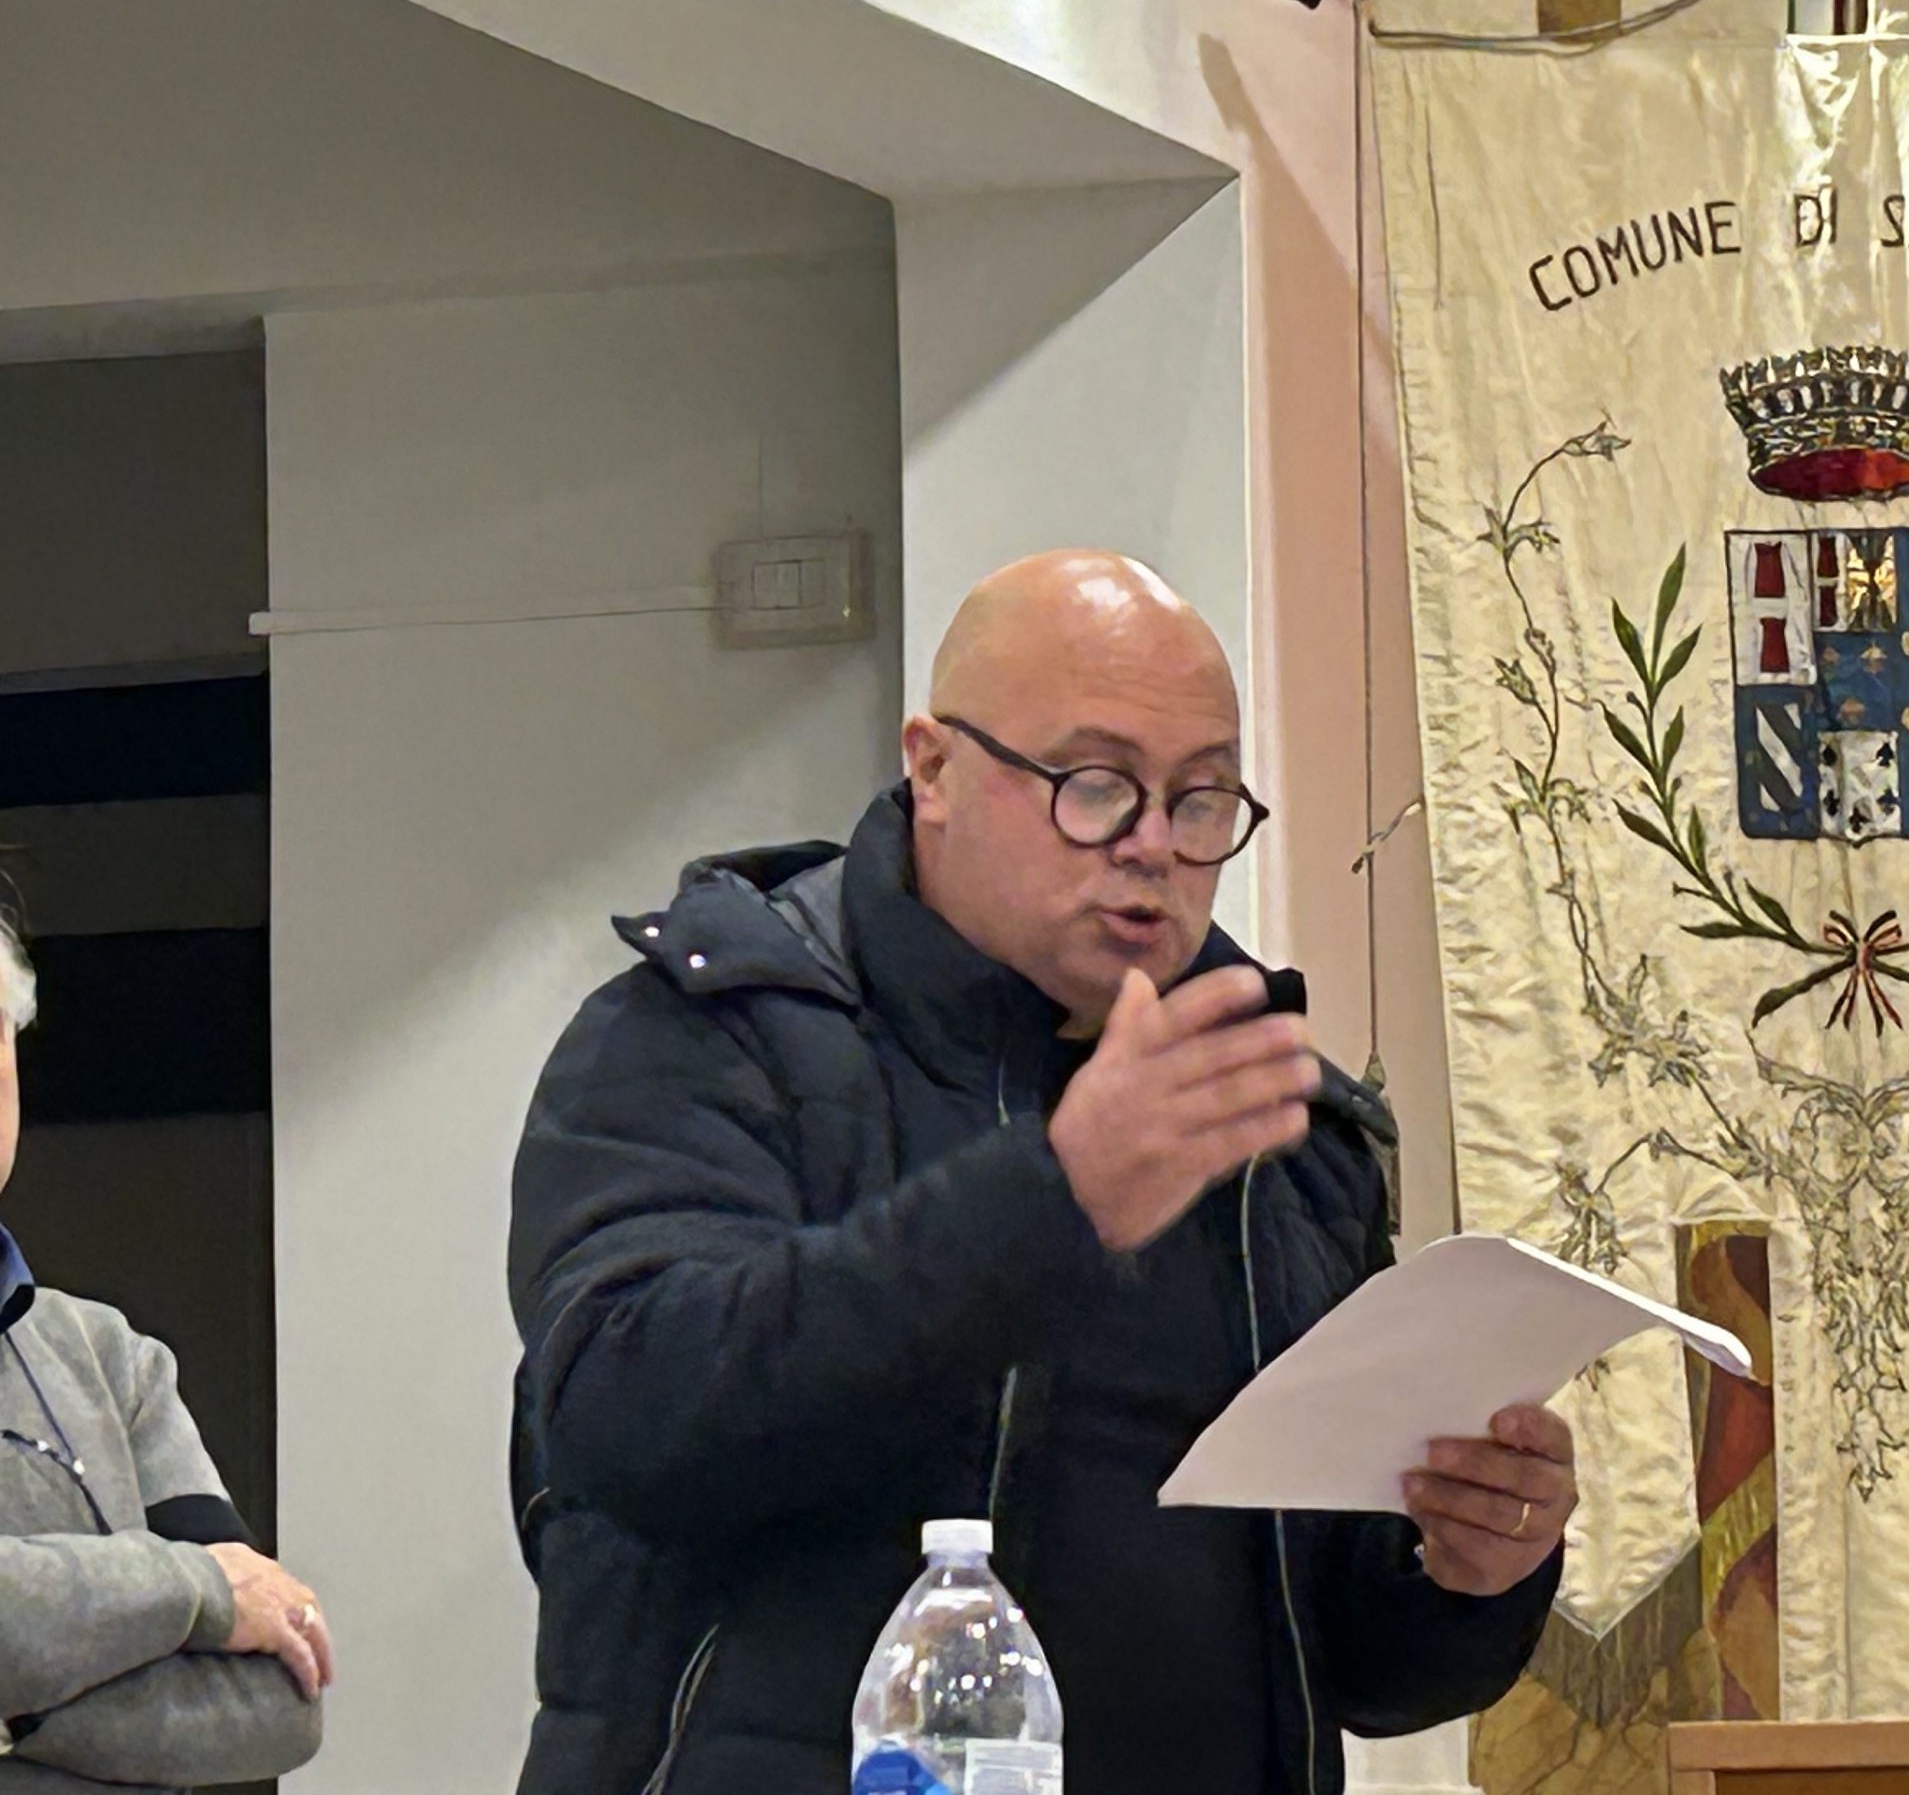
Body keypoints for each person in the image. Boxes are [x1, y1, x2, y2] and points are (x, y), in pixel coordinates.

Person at [508, 550, 1575, 1794]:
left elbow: (1352, 1666)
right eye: (1095, 786)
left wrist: (1468, 1572)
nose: (1151, 847)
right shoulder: (710, 1033)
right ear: (934, 768)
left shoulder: (1275, 1125)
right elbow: (624, 1420)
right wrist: (1052, 1199)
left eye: (1200, 800)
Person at [0, 907, 330, 1793]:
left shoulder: (114, 1362)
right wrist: (193, 1592)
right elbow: (230, 1592)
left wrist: (17, 1714)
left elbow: (282, 1694)